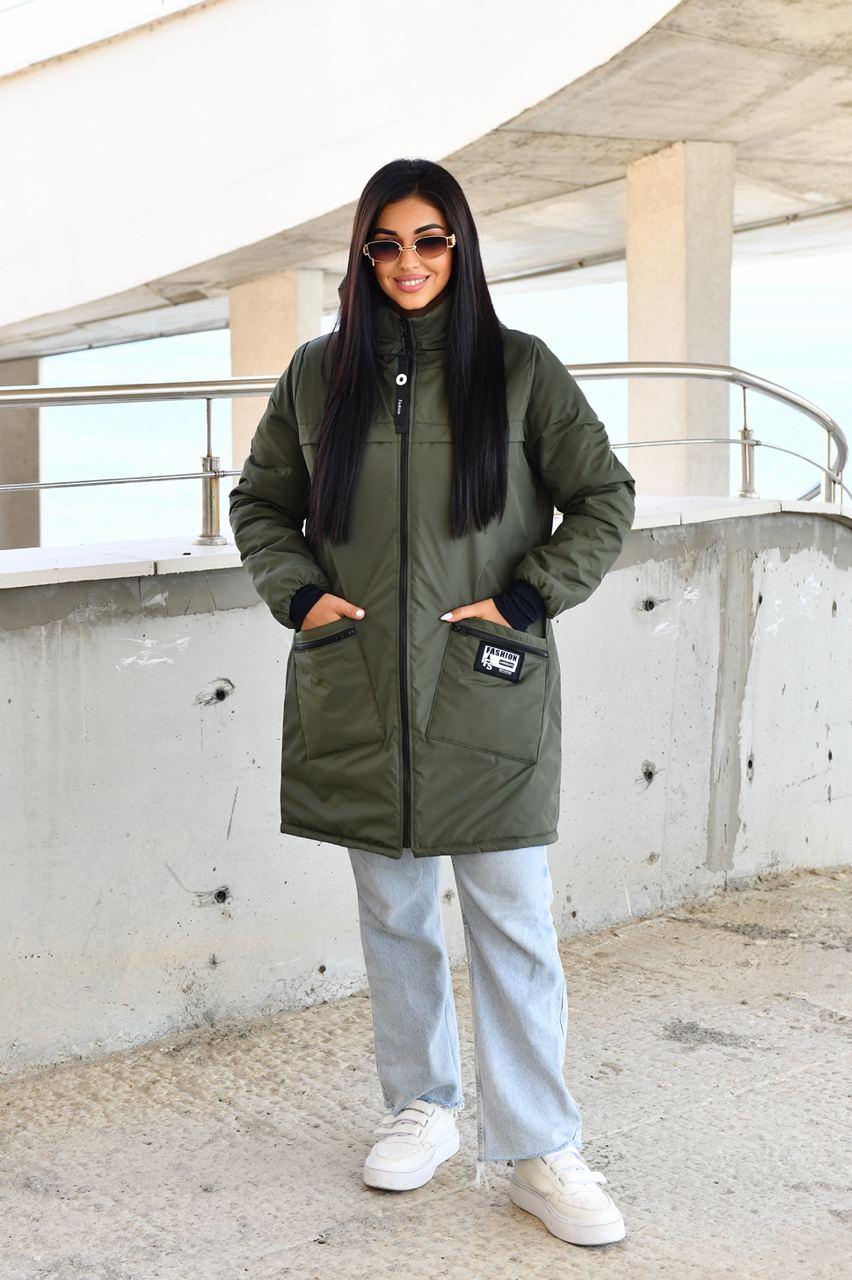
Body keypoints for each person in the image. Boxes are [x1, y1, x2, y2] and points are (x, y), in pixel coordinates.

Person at [228, 157, 636, 1249]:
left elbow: (605, 496)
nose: (409, 262)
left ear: (460, 245)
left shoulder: (520, 369)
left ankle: (540, 1146)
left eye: (430, 240)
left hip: (483, 686)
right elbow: (260, 502)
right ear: (364, 255)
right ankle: (422, 1105)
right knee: (396, 913)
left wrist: (528, 596)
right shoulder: (318, 375)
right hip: (362, 684)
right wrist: (301, 596)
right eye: (388, 244)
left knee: (514, 920)